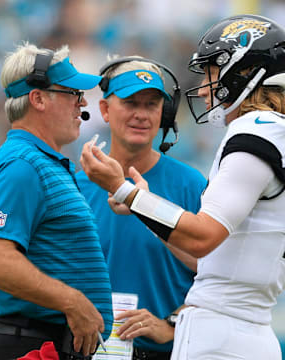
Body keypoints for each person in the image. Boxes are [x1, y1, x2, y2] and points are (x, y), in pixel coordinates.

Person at [80, 14, 285, 360]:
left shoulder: (256, 130)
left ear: (246, 72)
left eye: (212, 73)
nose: (204, 88)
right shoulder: (269, 130)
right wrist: (138, 205)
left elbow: (201, 238)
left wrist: (123, 189)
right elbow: (208, 255)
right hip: (236, 328)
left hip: (224, 334)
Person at [0, 42, 113, 360]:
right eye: (73, 94)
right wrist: (72, 301)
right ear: (37, 98)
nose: (83, 103)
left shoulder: (40, 162)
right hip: (31, 344)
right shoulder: (22, 164)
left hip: (45, 343)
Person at [76, 55, 207, 360]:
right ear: (105, 110)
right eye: (131, 103)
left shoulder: (191, 185)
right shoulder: (74, 186)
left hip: (168, 352)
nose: (142, 114)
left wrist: (172, 326)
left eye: (151, 104)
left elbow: (221, 275)